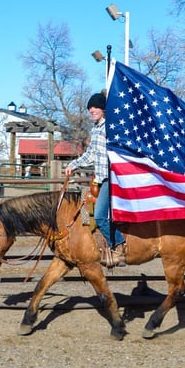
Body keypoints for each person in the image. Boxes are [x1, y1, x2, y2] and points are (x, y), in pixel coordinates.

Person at [65, 91, 126, 267]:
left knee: (99, 216)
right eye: (90, 108)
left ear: (104, 109)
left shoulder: (110, 127)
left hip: (111, 178)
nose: (92, 110)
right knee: (85, 205)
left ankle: (119, 245)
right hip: (99, 178)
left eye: (96, 107)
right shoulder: (96, 128)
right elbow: (90, 155)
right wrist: (73, 165)